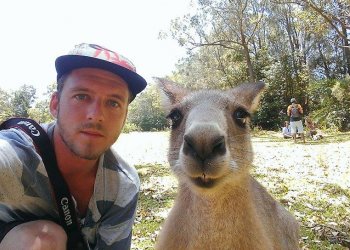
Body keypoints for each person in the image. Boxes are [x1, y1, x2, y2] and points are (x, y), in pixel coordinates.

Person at [0, 43, 147, 249]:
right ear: (55, 104)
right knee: (44, 239)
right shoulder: (14, 156)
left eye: (113, 103)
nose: (96, 115)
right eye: (81, 96)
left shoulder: (122, 185)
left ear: (124, 116)